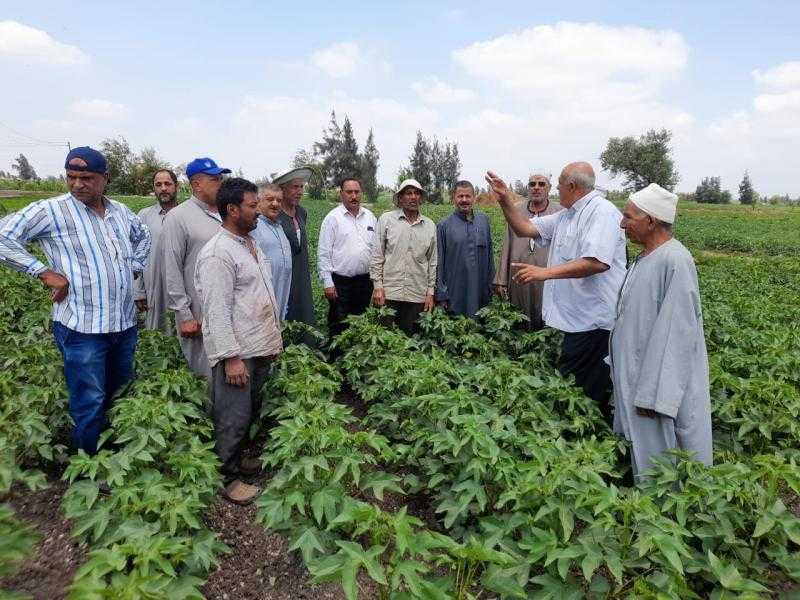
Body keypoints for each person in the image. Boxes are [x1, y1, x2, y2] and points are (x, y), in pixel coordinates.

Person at [0, 146, 151, 455]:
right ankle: (88, 467)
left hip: (123, 325)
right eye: (71, 177)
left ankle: (118, 454)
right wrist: (42, 272)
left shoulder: (121, 212)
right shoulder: (51, 210)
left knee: (120, 392)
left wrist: (133, 267)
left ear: (105, 178)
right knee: (89, 400)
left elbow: (144, 236)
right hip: (82, 328)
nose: (78, 184)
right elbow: (3, 236)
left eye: (87, 177)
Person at [486, 162, 626, 420]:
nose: (556, 190)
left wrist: (544, 273)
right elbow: (525, 228)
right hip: (577, 321)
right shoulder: (567, 215)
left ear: (572, 186)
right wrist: (505, 199)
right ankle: (578, 438)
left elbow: (597, 261)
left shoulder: (601, 213)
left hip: (594, 323)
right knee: (576, 385)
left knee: (588, 391)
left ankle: (589, 444)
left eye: (558, 185)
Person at [611, 183, 712, 481]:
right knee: (646, 457)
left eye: (628, 217)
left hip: (654, 390)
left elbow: (676, 334)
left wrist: (656, 396)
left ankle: (666, 523)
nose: (622, 223)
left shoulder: (675, 260)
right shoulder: (646, 258)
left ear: (651, 221)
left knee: (666, 464)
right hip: (638, 377)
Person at [195, 177, 283, 505]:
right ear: (232, 210)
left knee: (248, 412)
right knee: (232, 416)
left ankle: (239, 460)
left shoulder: (249, 244)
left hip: (258, 344)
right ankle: (227, 477)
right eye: (251, 205)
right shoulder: (218, 253)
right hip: (239, 351)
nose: (258, 210)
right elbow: (216, 311)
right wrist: (231, 357)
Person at [163, 157, 230, 378]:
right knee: (205, 373)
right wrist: (184, 315)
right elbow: (171, 268)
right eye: (215, 179)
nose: (221, 183)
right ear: (196, 185)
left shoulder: (226, 213)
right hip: (198, 310)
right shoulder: (178, 217)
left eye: (221, 178)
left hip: (227, 305)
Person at [493, 170, 562, 329]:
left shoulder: (559, 212)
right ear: (528, 188)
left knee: (546, 314)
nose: (536, 187)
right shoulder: (515, 210)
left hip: (547, 275)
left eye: (541, 184)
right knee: (518, 315)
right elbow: (507, 242)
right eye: (532, 184)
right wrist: (501, 279)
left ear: (549, 188)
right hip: (518, 276)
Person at [370, 178, 437, 335]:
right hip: (389, 292)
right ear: (400, 198)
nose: (413, 197)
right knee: (385, 340)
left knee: (412, 342)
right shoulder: (387, 220)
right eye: (408, 193)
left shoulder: (430, 226)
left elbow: (432, 262)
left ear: (420, 198)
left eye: (416, 193)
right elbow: (377, 255)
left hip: (417, 294)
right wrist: (378, 286)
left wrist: (430, 293)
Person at [317, 178, 377, 338]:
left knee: (361, 323)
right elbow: (324, 252)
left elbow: (377, 249)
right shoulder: (333, 218)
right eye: (349, 192)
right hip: (340, 283)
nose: (353, 196)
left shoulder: (370, 217)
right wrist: (327, 282)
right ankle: (336, 359)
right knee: (339, 323)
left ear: (361, 194)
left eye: (357, 192)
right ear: (341, 194)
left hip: (365, 281)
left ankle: (356, 356)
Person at [435, 180, 495, 318]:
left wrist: (492, 284)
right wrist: (442, 294)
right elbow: (439, 262)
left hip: (481, 291)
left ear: (474, 197)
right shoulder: (443, 226)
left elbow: (490, 256)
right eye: (460, 196)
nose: (464, 200)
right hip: (455, 293)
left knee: (481, 328)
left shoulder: (484, 221)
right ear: (453, 198)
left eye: (468, 196)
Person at [135, 169, 179, 334]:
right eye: (158, 184)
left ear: (177, 186)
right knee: (156, 334)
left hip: (181, 287)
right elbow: (137, 255)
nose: (163, 188)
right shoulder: (144, 216)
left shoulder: (185, 215)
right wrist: (138, 290)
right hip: (154, 285)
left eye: (168, 184)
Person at [273, 167, 316, 329]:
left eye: (301, 187)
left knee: (303, 312)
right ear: (282, 189)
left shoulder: (301, 212)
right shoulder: (274, 215)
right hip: (283, 275)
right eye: (294, 187)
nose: (299, 191)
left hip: (301, 274)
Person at [251, 183, 292, 321]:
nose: (275, 204)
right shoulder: (254, 226)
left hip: (281, 292)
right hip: (262, 297)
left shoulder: (278, 226)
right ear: (258, 201)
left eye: (279, 200)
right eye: (270, 199)